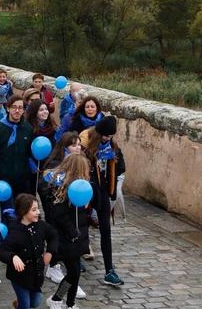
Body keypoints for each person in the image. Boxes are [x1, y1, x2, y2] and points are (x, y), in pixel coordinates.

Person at [41, 155, 91, 309]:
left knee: (74, 273)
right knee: (74, 272)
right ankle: (59, 300)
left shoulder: (78, 187)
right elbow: (59, 214)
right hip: (67, 238)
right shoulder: (63, 187)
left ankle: (68, 303)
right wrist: (72, 232)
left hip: (76, 236)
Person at [82, 116, 126, 287]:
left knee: (106, 231)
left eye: (109, 136)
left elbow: (122, 167)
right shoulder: (86, 146)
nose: (107, 139)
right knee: (81, 225)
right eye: (104, 136)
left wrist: (113, 159)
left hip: (103, 193)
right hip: (86, 192)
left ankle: (109, 270)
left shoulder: (113, 146)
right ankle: (74, 258)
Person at [0, 194, 58, 309]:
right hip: (19, 276)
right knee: (25, 305)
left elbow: (53, 235)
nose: (38, 212)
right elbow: (3, 251)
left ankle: (19, 303)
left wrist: (50, 252)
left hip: (36, 273)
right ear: (23, 211)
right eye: (34, 210)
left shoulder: (41, 225)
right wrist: (13, 257)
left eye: (38, 209)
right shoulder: (14, 231)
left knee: (35, 302)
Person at [0, 94, 34, 210]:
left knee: (22, 211)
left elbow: (30, 152)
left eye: (20, 108)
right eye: (14, 107)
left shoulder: (28, 129)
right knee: (8, 212)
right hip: (4, 178)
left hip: (22, 179)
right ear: (8, 108)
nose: (17, 110)